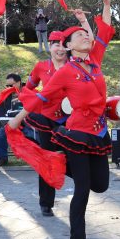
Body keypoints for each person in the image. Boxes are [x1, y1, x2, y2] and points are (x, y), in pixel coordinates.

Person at [9, 0, 112, 239]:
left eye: (85, 34)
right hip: (77, 133)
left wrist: (106, 2)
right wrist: (17, 119)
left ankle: (57, 164)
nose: (86, 37)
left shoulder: (96, 62)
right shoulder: (65, 71)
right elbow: (41, 97)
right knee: (83, 188)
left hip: (100, 132)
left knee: (100, 185)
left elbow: (105, 28)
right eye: (79, 35)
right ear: (68, 46)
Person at [21, 30, 79, 217]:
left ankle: (82, 189)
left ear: (69, 46)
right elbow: (27, 89)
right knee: (47, 160)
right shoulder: (40, 67)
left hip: (71, 122)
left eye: (63, 44)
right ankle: (46, 203)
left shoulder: (76, 67)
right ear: (50, 47)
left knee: (74, 158)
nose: (60, 49)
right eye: (56, 44)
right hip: (47, 121)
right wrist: (33, 102)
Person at [0, 73, 24, 166]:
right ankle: (3, 158)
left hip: (26, 123)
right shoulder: (6, 95)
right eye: (7, 85)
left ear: (19, 83)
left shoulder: (28, 91)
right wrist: (6, 123)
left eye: (11, 85)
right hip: (10, 123)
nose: (8, 87)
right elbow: (1, 112)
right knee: (1, 132)